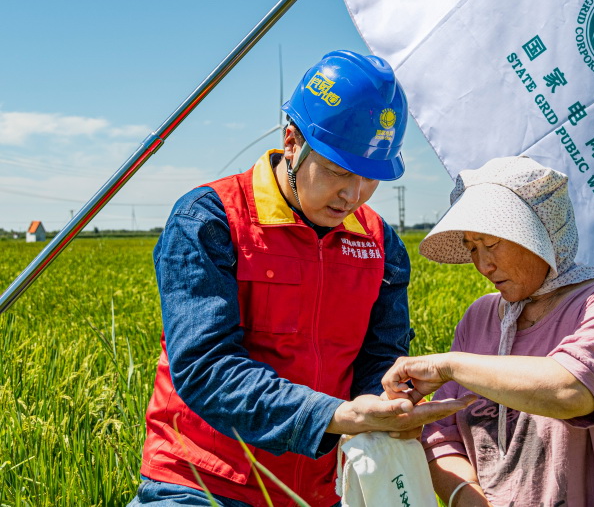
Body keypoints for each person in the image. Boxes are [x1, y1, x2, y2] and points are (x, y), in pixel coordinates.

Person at [130, 50, 471, 507]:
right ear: (292, 141)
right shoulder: (212, 218)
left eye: (370, 178)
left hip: (320, 490)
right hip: (203, 482)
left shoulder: (379, 243)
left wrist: (389, 403)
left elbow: (379, 359)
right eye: (337, 171)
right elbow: (205, 367)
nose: (352, 194)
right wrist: (335, 414)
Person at [382, 156, 594, 506]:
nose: (483, 265)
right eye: (471, 247)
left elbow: (570, 390)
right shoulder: (480, 317)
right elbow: (442, 434)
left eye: (491, 244)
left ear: (541, 234)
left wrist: (449, 366)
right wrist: (467, 497)